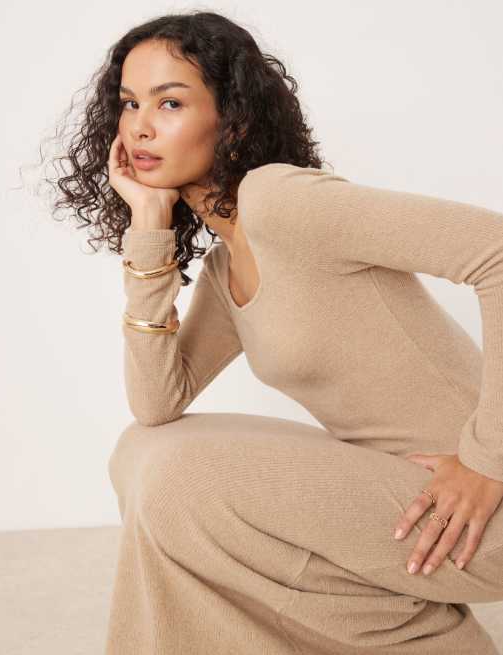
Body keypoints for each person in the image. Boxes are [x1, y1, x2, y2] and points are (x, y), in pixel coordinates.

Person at [40, 10, 503, 655]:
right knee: (140, 452)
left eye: (170, 102)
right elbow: (156, 405)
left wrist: (487, 461)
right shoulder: (228, 264)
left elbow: (496, 251)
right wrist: (148, 225)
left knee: (180, 473)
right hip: (402, 494)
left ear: (233, 120)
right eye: (129, 103)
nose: (140, 126)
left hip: (476, 508)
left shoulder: (283, 200)